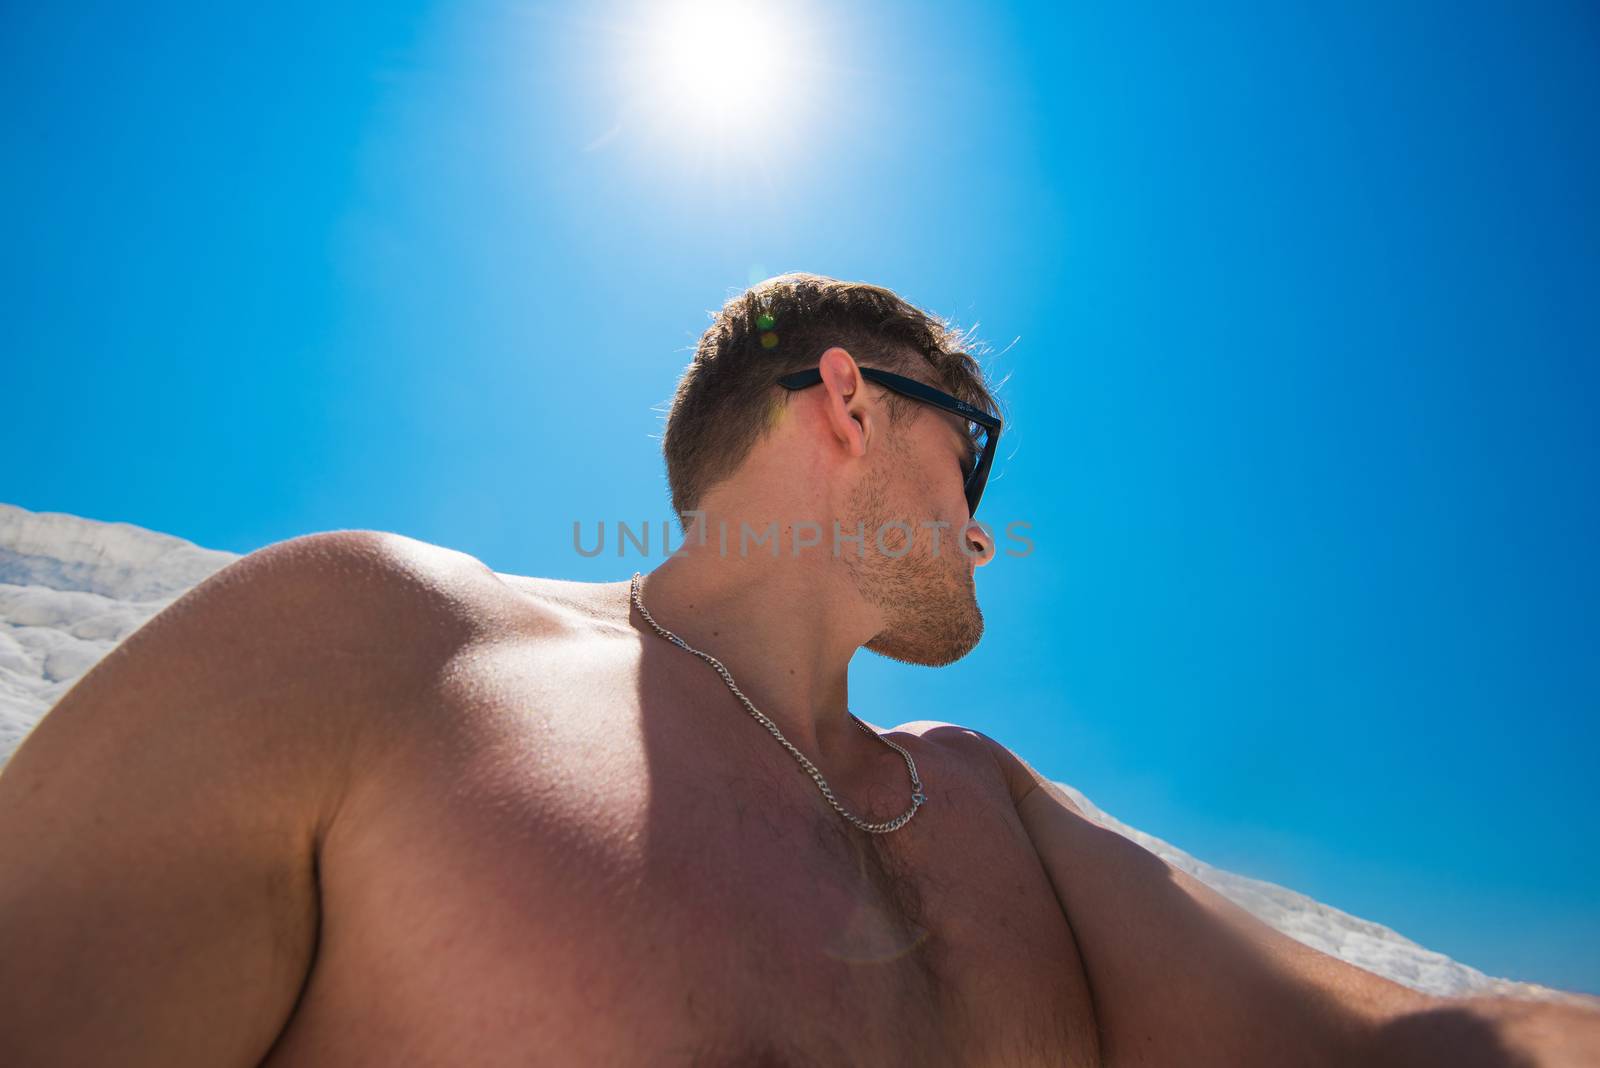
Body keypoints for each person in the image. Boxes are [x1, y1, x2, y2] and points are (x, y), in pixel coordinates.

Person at [1, 273, 1595, 1066]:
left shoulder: (991, 810)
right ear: (849, 401)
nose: (985, 531)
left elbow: (1412, 1051)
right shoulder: (382, 649)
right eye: (976, 453)